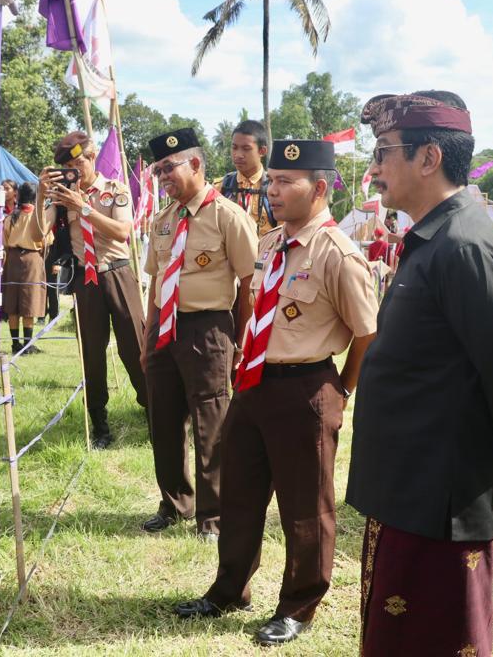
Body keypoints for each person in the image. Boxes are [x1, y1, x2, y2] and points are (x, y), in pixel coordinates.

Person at [346, 91, 493, 656]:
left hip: (441, 498)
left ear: (429, 157)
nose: (374, 168)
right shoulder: (433, 239)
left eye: (384, 152)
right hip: (412, 488)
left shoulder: (463, 247)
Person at [175, 139, 379, 645]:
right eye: (272, 180)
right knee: (238, 494)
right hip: (254, 383)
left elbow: (368, 334)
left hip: (306, 387)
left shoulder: (338, 254)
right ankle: (228, 589)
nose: (274, 189)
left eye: (288, 181)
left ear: (321, 188)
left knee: (305, 506)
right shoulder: (268, 244)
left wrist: (341, 392)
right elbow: (254, 307)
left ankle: (298, 604)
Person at [140, 128, 257, 537]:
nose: (162, 178)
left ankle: (213, 515)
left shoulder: (228, 216)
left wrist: (241, 342)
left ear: (195, 164)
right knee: (164, 420)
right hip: (165, 329)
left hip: (208, 328)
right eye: (157, 172)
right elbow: (156, 284)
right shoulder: (163, 220)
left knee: (211, 421)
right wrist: (148, 340)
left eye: (168, 168)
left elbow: (248, 284)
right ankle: (174, 503)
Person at [37, 131, 148, 448]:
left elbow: (122, 232)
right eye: (69, 165)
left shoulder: (116, 191)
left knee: (135, 347)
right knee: (92, 354)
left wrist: (83, 208)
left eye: (80, 161)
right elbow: (38, 233)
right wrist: (41, 193)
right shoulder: (61, 197)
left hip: (118, 274)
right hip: (86, 281)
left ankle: (154, 412)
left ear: (93, 156)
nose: (76, 169)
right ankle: (100, 425)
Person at [4, 182, 52, 354]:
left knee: (13, 303)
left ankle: (15, 343)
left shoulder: (11, 217)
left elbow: (5, 239)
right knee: (29, 301)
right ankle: (27, 344)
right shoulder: (39, 216)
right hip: (32, 258)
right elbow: (48, 239)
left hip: (13, 258)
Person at [218, 120, 274, 236]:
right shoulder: (221, 187)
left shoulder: (274, 187)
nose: (238, 155)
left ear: (262, 151)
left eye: (246, 149)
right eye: (234, 148)